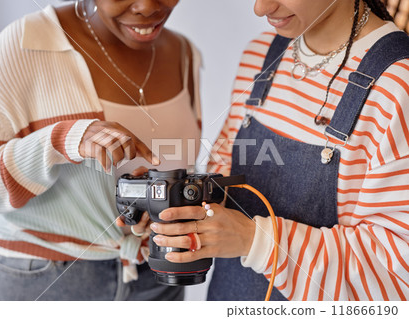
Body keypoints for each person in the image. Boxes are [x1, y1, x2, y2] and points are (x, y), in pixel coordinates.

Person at [150, 0, 409, 300]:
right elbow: (222, 166)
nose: (260, 8)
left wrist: (253, 240)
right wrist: (175, 209)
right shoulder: (260, 55)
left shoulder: (398, 86)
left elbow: (394, 274)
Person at [0, 0, 202, 301]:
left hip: (159, 276)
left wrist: (153, 208)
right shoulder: (26, 43)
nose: (147, 7)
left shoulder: (184, 53)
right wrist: (61, 142)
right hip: (46, 279)